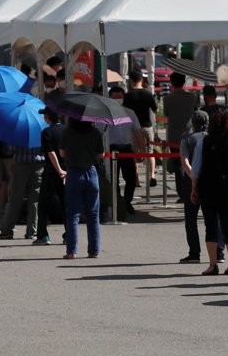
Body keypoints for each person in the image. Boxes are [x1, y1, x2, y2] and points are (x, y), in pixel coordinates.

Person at [191, 108, 228, 275]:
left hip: (207, 187)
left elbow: (196, 168)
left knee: (210, 225)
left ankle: (213, 264)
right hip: (227, 188)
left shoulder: (204, 142)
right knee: (227, 225)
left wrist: (194, 188)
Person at [179, 110, 225, 264]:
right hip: (211, 182)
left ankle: (194, 253)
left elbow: (185, 162)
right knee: (213, 218)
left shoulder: (187, 139)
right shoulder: (212, 138)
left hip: (191, 182)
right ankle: (219, 252)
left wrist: (194, 177)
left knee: (191, 220)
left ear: (193, 123)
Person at [60, 119, 105, 259]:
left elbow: (62, 153)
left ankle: (71, 251)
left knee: (73, 214)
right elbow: (100, 155)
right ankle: (94, 250)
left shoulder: (68, 132)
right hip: (91, 173)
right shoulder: (96, 132)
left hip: (74, 173)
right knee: (93, 214)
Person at [108, 87, 146, 216]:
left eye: (120, 96)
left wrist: (142, 150)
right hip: (111, 150)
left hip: (126, 149)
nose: (118, 99)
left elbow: (138, 132)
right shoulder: (105, 114)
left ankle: (127, 201)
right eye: (114, 97)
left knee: (130, 178)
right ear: (109, 98)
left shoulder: (130, 112)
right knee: (113, 179)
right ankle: (118, 201)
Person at [0, 143, 45, 240]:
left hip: (21, 164)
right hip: (38, 165)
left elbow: (9, 149)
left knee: (15, 198)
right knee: (34, 200)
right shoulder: (41, 130)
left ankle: (7, 230)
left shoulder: (18, 131)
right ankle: (32, 231)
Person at [163, 73, 199, 205]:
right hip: (190, 134)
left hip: (174, 136)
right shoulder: (192, 97)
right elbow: (196, 112)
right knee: (191, 164)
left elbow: (166, 113)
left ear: (171, 83)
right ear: (184, 82)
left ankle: (181, 193)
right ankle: (191, 189)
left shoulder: (167, 98)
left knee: (178, 166)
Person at [34, 108, 66, 245]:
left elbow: (50, 153)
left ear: (48, 118)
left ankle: (42, 235)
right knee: (66, 203)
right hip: (67, 171)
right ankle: (69, 234)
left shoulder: (47, 132)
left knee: (44, 203)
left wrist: (58, 169)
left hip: (51, 171)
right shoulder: (67, 131)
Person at [122, 70, 158, 187]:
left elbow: (124, 112)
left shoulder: (128, 96)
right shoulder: (148, 94)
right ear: (141, 79)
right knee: (150, 152)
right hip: (147, 126)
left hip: (133, 128)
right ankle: (152, 176)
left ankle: (136, 179)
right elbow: (155, 109)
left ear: (131, 81)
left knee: (134, 153)